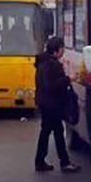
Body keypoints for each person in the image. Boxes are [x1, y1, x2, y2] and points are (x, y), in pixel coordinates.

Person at [34, 36, 81, 173]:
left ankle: (42, 161)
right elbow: (51, 85)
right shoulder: (51, 65)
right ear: (57, 49)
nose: (63, 51)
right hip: (51, 105)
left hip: (46, 103)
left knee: (50, 132)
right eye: (62, 48)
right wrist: (68, 79)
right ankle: (63, 163)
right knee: (55, 132)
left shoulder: (44, 62)